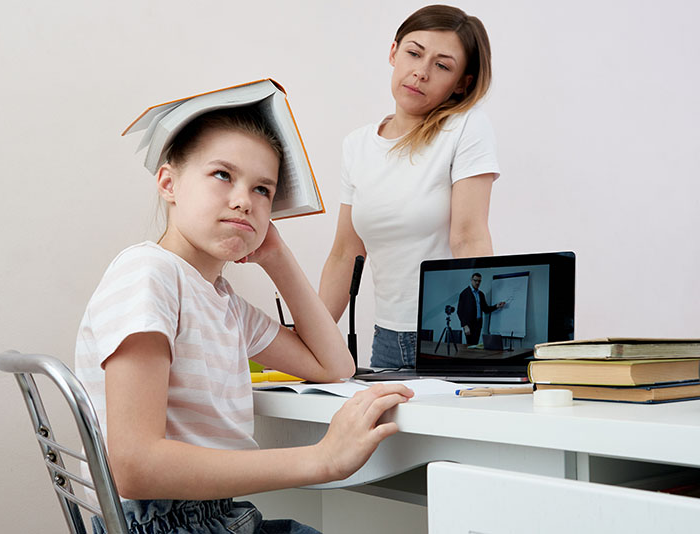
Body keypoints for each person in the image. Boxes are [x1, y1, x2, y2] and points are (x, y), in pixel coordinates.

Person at [75, 107, 413, 534]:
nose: (243, 200)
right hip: (167, 523)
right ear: (169, 183)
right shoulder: (149, 275)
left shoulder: (222, 300)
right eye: (222, 175)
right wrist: (320, 460)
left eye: (262, 191)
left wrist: (276, 255)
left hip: (211, 517)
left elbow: (335, 366)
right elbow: (134, 467)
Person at [319, 4, 500, 370]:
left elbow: (468, 237)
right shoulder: (357, 145)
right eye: (414, 53)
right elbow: (345, 253)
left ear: (462, 82)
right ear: (393, 52)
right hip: (386, 340)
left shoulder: (466, 128)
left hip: (446, 336)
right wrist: (312, 338)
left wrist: (480, 342)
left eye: (442, 65)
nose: (421, 72)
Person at [456, 272, 505, 345]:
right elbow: (459, 311)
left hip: (478, 324)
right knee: (470, 346)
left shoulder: (481, 294)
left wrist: (496, 306)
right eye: (475, 280)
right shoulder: (465, 293)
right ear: (471, 280)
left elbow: (485, 309)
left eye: (479, 281)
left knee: (475, 345)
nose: (477, 283)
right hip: (469, 325)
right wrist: (465, 325)